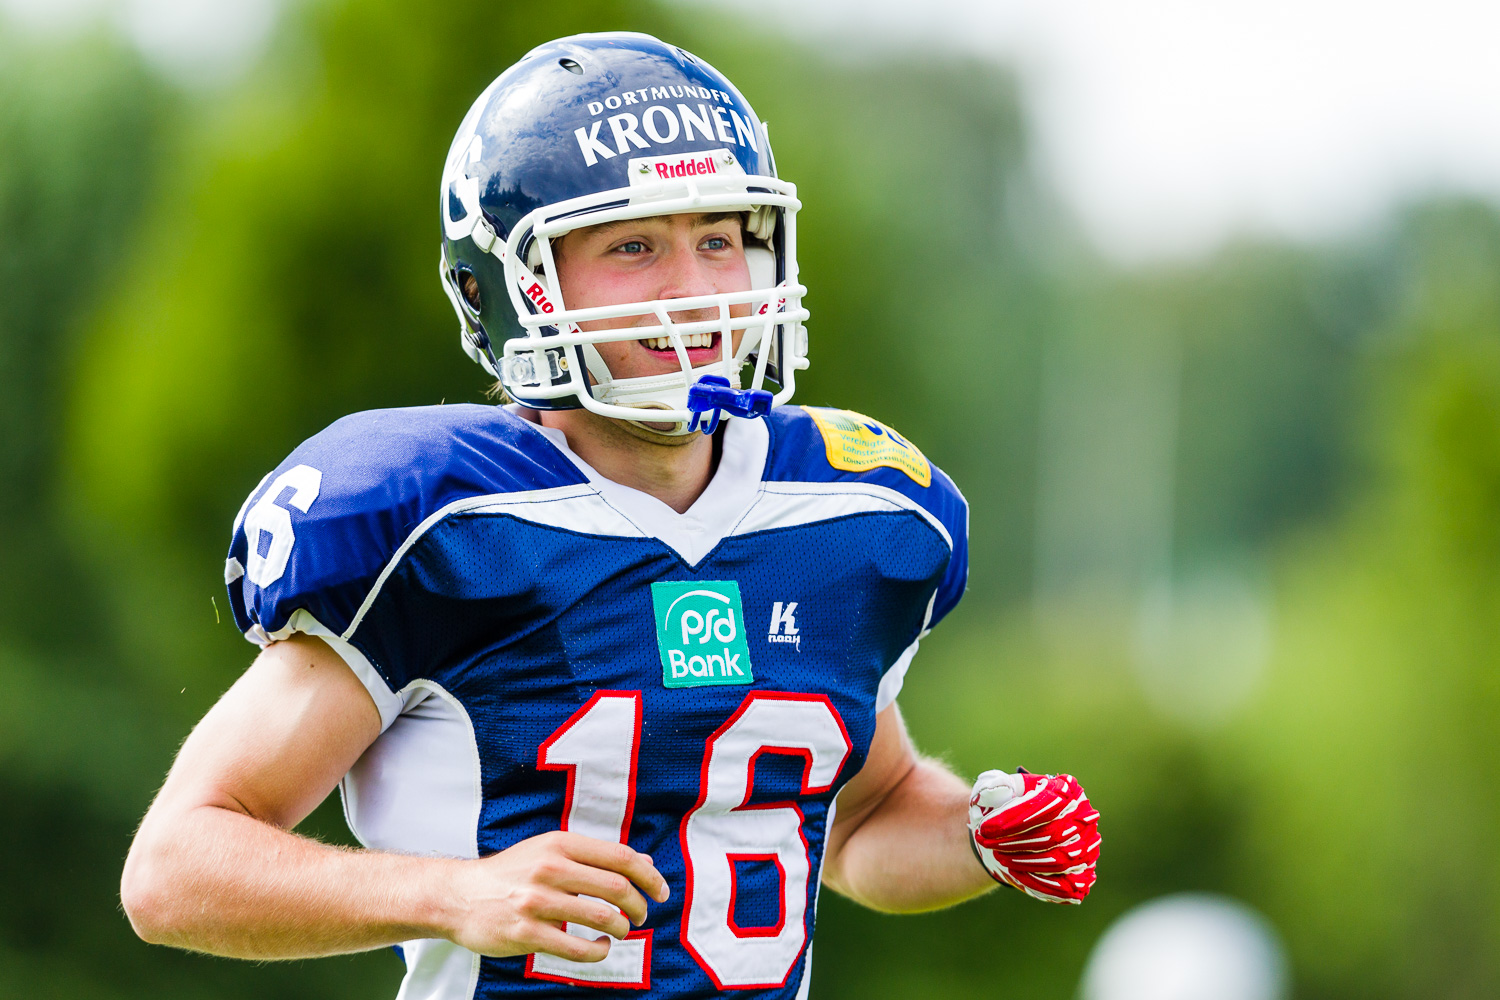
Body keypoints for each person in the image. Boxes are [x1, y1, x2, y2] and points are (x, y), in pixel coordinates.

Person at [120, 31, 1100, 998]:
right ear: (514, 285)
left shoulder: (848, 514)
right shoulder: (441, 523)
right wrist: (449, 892)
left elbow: (863, 818)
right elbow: (174, 868)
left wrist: (981, 836)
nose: (698, 290)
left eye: (719, 239)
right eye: (635, 245)